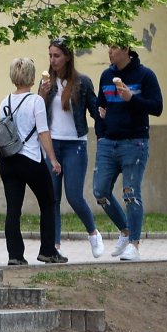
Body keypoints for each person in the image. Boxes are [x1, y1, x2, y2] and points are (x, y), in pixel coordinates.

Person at [94, 42, 163, 261]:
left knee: (130, 193)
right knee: (100, 191)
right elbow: (100, 107)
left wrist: (131, 99)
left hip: (134, 143)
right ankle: (125, 231)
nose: (109, 51)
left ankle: (134, 243)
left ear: (125, 50)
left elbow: (157, 107)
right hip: (108, 143)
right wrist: (101, 132)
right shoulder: (106, 76)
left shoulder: (145, 75)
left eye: (114, 47)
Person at [42, 38, 111, 257]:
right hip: (52, 145)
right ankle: (54, 246)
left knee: (73, 195)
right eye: (51, 55)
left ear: (68, 57)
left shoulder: (82, 82)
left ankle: (93, 234)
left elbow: (94, 110)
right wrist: (41, 95)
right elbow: (40, 114)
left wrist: (102, 131)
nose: (53, 60)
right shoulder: (47, 83)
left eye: (57, 56)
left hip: (75, 145)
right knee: (52, 197)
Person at [0, 57, 63, 266]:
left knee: (13, 209)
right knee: (48, 203)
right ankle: (48, 251)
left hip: (8, 162)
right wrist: (53, 159)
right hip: (31, 160)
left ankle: (15, 255)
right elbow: (43, 133)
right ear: (32, 77)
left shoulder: (4, 102)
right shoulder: (36, 102)